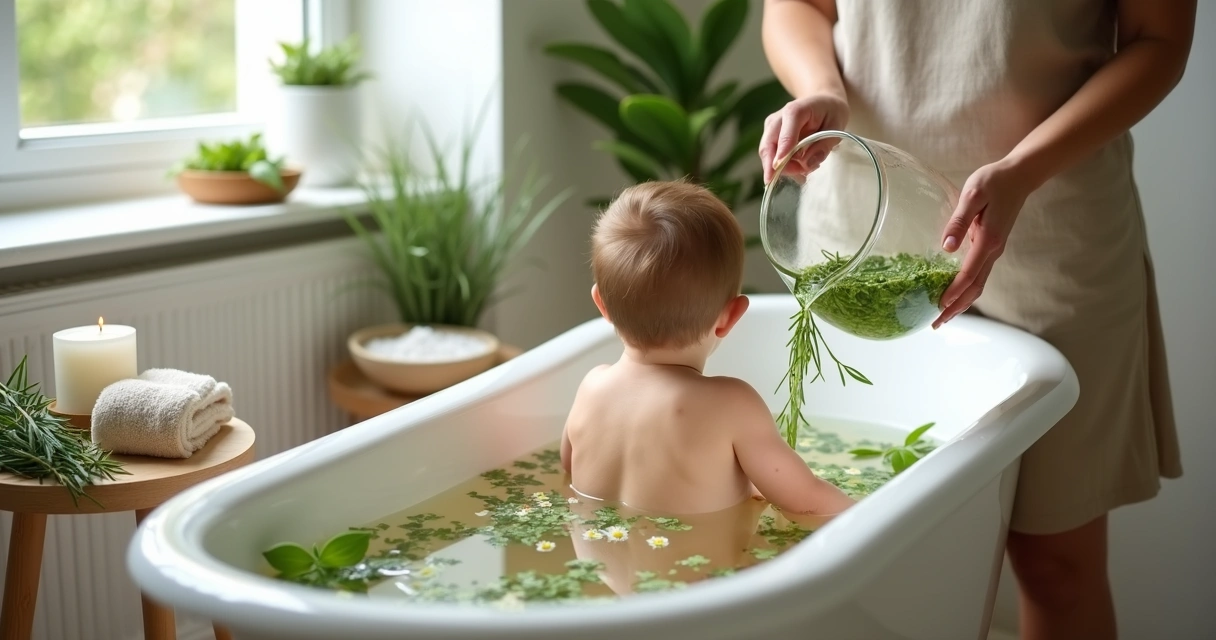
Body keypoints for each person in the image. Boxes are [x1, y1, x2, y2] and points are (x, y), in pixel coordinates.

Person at [756, 1, 1194, 639]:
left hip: (1054, 226)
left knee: (1057, 567)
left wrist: (1024, 169)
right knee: (854, 540)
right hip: (858, 229)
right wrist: (822, 89)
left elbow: (1159, 41)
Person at [559, 180, 854, 518]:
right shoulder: (732, 405)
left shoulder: (591, 387)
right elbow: (806, 500)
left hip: (599, 567)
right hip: (704, 573)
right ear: (729, 317)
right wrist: (879, 511)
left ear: (603, 304)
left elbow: (570, 465)